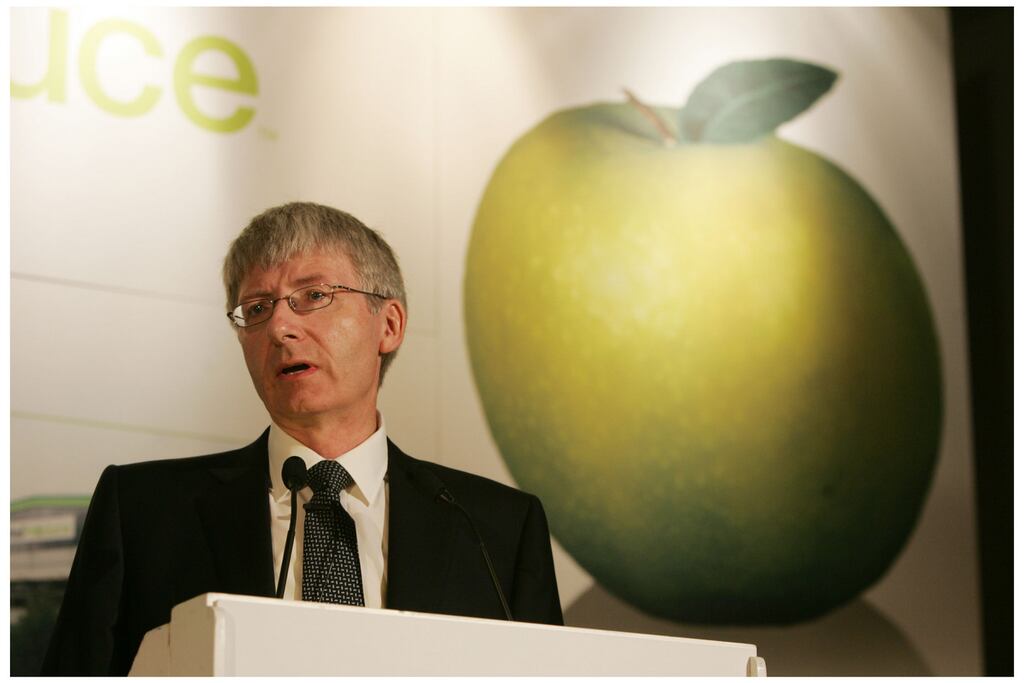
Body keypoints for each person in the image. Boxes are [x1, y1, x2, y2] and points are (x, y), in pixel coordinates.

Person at [41, 202, 563, 676]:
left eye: (314, 296)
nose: (280, 328)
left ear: (390, 325)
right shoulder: (144, 512)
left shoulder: (495, 530)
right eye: (258, 309)